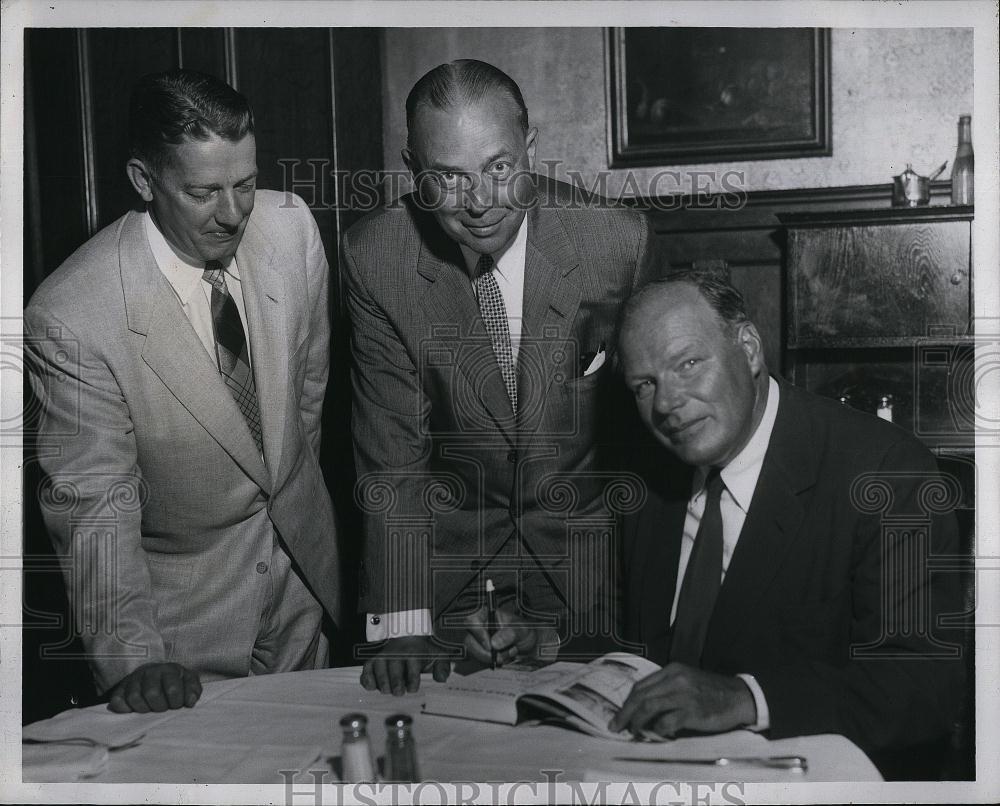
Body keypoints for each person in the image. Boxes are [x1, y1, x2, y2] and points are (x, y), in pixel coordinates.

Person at [24, 69, 341, 713]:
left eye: (245, 184)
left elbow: (306, 404)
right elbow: (95, 511)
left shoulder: (291, 228)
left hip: (307, 608)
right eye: (203, 192)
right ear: (145, 181)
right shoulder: (72, 315)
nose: (233, 214)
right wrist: (134, 661)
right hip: (180, 651)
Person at [342, 59, 661, 694]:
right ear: (413, 171)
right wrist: (405, 622)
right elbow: (391, 456)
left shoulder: (615, 243)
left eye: (499, 168)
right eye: (449, 178)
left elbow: (648, 448)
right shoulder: (376, 256)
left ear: (531, 149)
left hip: (589, 583)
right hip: (448, 583)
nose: (481, 202)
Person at [608, 270, 964, 757]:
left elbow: (921, 686)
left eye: (688, 363)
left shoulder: (885, 473)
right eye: (644, 385)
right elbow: (627, 642)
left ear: (750, 348)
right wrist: (542, 642)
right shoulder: (645, 479)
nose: (667, 403)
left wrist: (747, 698)